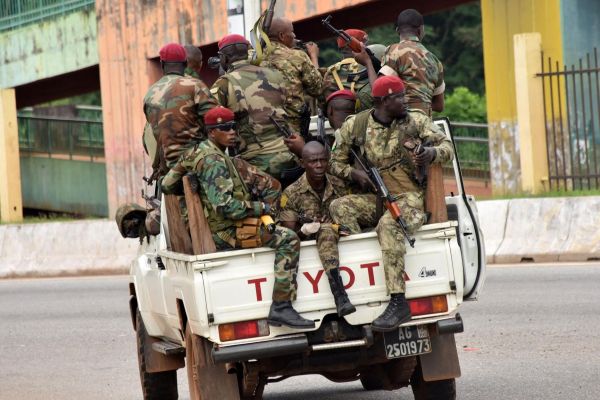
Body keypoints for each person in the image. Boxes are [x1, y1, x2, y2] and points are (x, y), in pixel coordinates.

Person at [161, 106, 314, 329]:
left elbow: (166, 184)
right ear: (211, 132)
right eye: (224, 128)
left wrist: (192, 181)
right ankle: (282, 307)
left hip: (226, 225)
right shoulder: (214, 161)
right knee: (288, 239)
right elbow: (226, 208)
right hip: (226, 232)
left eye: (232, 126)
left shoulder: (196, 152)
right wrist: (260, 207)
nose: (232, 131)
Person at [328, 76, 454, 332]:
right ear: (384, 101)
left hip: (410, 197)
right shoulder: (357, 125)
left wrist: (431, 153)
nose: (404, 100)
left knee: (389, 226)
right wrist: (355, 174)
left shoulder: (414, 120)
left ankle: (398, 301)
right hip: (378, 196)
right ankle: (365, 281)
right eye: (399, 96)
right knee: (339, 207)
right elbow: (334, 161)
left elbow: (448, 147)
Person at [279, 141, 355, 317]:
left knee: (329, 228)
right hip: (310, 247)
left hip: (346, 240)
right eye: (313, 161)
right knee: (326, 230)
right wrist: (305, 230)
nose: (319, 165)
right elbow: (289, 234)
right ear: (302, 163)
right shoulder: (291, 194)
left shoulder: (339, 184)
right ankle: (340, 296)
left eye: (323, 160)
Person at [210, 34, 301, 181]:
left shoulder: (224, 84)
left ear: (224, 58)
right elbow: (292, 108)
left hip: (255, 166)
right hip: (290, 157)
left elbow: (211, 121)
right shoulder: (275, 75)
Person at [143, 43, 216, 178]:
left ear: (162, 64)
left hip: (169, 170)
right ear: (184, 63)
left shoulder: (150, 94)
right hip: (198, 163)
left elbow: (151, 134)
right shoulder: (195, 85)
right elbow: (216, 122)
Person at [378, 9, 445, 116]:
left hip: (402, 121)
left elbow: (381, 89)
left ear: (397, 30)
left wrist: (367, 62)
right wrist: (421, 106)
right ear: (420, 30)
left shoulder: (393, 50)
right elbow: (439, 105)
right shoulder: (435, 61)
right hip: (425, 124)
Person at [263, 17, 323, 134]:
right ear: (281, 36)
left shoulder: (254, 58)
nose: (294, 36)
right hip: (292, 130)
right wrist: (313, 56)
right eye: (292, 32)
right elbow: (318, 88)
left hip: (262, 129)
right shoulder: (297, 56)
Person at [322, 29, 374, 112]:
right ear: (358, 45)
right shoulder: (370, 66)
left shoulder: (330, 73)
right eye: (366, 44)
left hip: (340, 120)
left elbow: (323, 103)